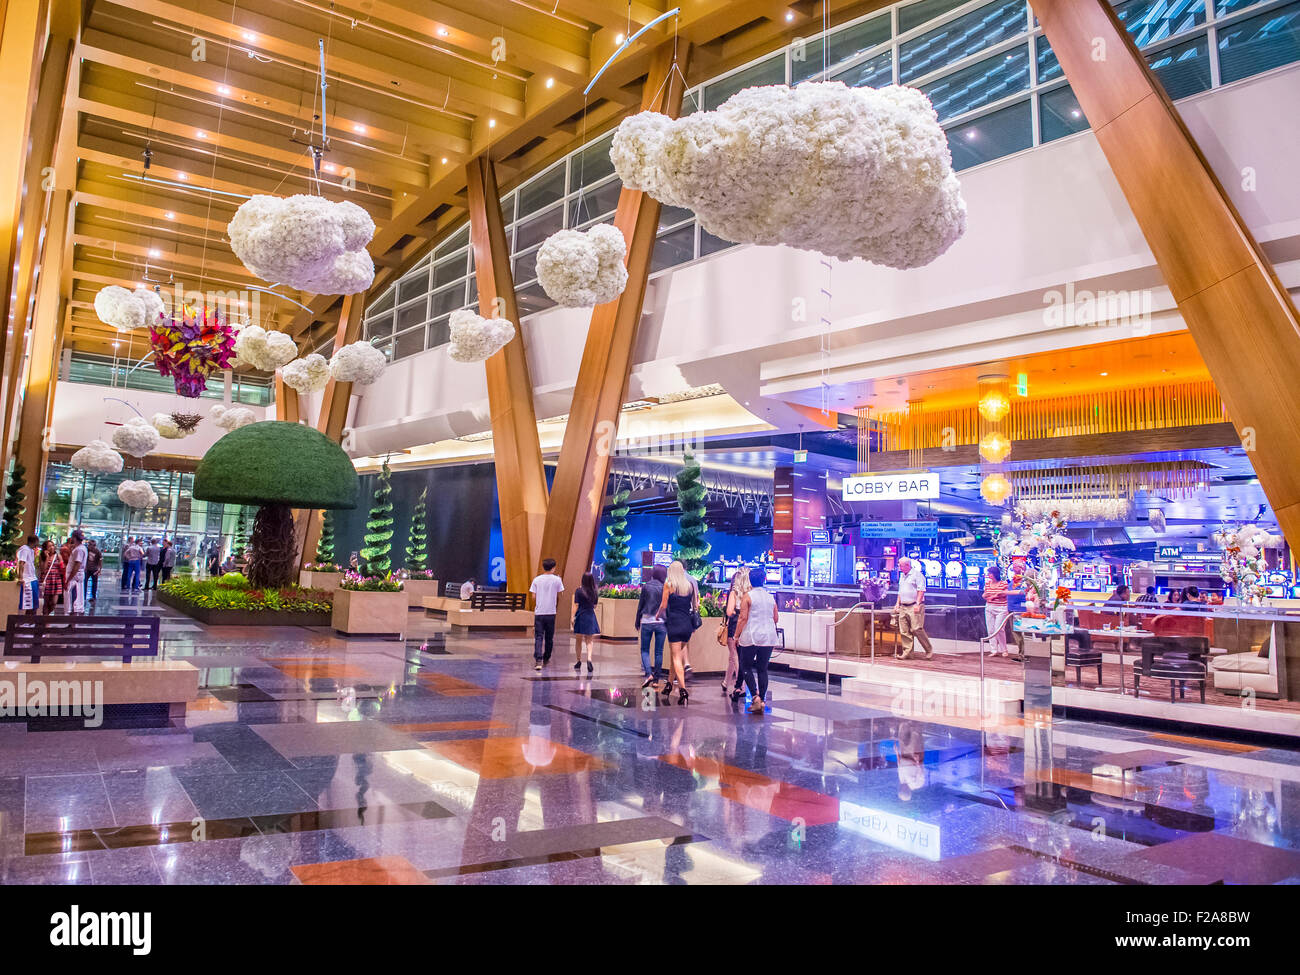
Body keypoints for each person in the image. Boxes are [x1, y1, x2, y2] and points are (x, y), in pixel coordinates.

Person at [734, 565, 779, 714]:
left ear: (750, 580)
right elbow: (776, 618)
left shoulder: (748, 596)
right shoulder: (770, 597)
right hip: (768, 636)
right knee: (762, 668)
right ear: (764, 579)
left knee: (746, 666)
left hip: (751, 635)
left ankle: (755, 697)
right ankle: (763, 700)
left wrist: (736, 635)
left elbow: (742, 618)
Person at [656, 560, 698, 703]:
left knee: (676, 658)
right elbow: (695, 604)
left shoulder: (669, 585)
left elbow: (663, 605)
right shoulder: (690, 586)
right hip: (687, 624)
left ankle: (682, 689)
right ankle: (669, 684)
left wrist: (657, 615)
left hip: (674, 623)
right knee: (677, 655)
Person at [634, 565, 668, 688]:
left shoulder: (646, 586)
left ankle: (649, 674)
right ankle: (656, 680)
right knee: (659, 652)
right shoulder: (665, 587)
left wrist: (637, 620)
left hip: (647, 621)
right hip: (661, 622)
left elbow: (640, 604)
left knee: (645, 650)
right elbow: (666, 606)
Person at [894, 557, 933, 660]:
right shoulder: (902, 576)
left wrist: (917, 603)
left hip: (914, 605)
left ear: (907, 565)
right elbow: (900, 591)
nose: (899, 567)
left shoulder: (917, 575)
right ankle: (907, 652)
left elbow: (921, 590)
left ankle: (928, 650)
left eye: (901, 565)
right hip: (903, 606)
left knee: (916, 629)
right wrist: (897, 603)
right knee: (904, 630)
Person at [529, 557, 564, 671]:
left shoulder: (537, 579)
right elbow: (561, 594)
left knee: (539, 636)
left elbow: (533, 596)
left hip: (539, 612)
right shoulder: (557, 580)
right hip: (551, 612)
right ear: (553, 568)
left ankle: (538, 660)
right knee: (549, 637)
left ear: (543, 567)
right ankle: (546, 657)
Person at [723, 567, 751, 696]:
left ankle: (742, 686)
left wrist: (735, 611)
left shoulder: (734, 593)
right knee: (736, 657)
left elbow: (729, 611)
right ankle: (726, 682)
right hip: (748, 625)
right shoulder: (751, 593)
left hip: (735, 625)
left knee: (736, 657)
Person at [572, 572, 600, 674]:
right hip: (590, 616)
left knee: (578, 640)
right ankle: (589, 659)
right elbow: (595, 606)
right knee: (589, 640)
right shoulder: (595, 591)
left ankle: (578, 661)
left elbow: (576, 605)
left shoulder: (579, 591)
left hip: (581, 615)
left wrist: (572, 617)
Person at [982, 564, 1010, 657]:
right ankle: (993, 649)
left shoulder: (1003, 583)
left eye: (990, 573)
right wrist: (988, 598)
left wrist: (994, 596)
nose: (989, 575)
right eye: (988, 573)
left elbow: (1003, 593)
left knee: (999, 629)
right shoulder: (987, 584)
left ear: (995, 574)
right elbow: (985, 594)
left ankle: (1004, 650)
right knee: (990, 629)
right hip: (989, 607)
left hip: (1001, 608)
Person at [63, 529, 87, 615]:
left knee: (73, 599)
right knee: (75, 598)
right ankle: (72, 622)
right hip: (77, 576)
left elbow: (77, 565)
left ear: (74, 537)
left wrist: (68, 580)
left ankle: (73, 621)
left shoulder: (79, 550)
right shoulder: (81, 548)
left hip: (74, 577)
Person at [39, 539, 63, 616]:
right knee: (46, 602)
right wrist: (47, 558)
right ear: (45, 548)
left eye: (53, 545)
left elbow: (62, 567)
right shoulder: (42, 556)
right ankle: (45, 619)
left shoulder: (58, 556)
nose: (52, 547)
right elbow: (43, 569)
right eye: (49, 546)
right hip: (47, 580)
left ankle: (46, 615)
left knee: (53, 602)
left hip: (56, 580)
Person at [15, 534, 38, 615]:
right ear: (34, 542)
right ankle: (24, 622)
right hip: (27, 579)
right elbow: (21, 563)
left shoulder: (31, 550)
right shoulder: (25, 549)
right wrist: (20, 577)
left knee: (34, 603)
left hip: (32, 577)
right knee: (27, 603)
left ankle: (30, 621)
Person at [85, 539, 102, 603]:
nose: (89, 546)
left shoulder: (97, 552)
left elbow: (100, 560)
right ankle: (84, 595)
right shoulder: (86, 550)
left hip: (94, 569)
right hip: (87, 569)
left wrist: (99, 569)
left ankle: (93, 596)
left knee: (94, 583)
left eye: (90, 545)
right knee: (85, 582)